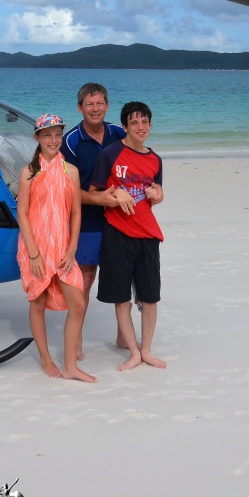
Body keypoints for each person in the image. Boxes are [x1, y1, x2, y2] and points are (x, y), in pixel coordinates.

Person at [16, 113, 96, 383]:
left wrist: (72, 249)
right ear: (37, 137)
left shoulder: (70, 171)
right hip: (36, 247)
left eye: (58, 134)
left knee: (78, 303)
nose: (53, 140)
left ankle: (70, 365)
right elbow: (22, 213)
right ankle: (45, 359)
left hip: (62, 247)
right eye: (48, 135)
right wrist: (34, 254)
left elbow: (76, 213)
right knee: (37, 302)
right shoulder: (29, 172)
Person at [60, 82, 136, 357]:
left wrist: (153, 189)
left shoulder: (119, 134)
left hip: (120, 218)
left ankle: (124, 335)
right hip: (87, 220)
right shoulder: (70, 141)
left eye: (100, 103)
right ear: (80, 108)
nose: (95, 109)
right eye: (89, 104)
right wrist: (99, 199)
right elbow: (66, 190)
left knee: (123, 275)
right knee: (86, 277)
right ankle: (76, 338)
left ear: (107, 105)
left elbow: (136, 169)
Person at [91, 101, 167, 372]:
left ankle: (146, 350)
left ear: (150, 125)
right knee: (121, 297)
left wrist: (158, 195)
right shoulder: (109, 154)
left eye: (144, 122)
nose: (140, 127)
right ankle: (133, 352)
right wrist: (115, 193)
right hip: (118, 234)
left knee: (150, 297)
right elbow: (94, 193)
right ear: (124, 126)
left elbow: (156, 194)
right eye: (134, 122)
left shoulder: (155, 159)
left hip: (148, 235)